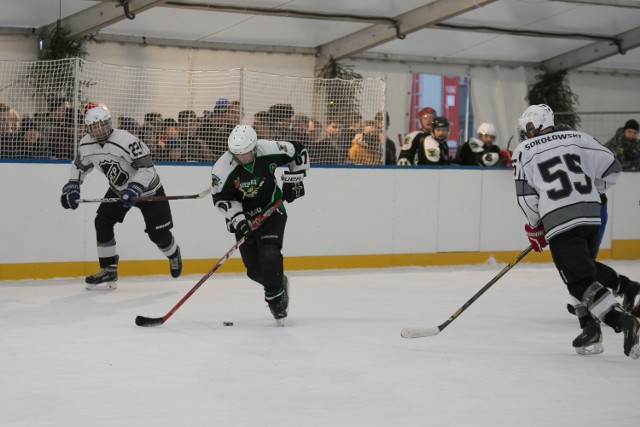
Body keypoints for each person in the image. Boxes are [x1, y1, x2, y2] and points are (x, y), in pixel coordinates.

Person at [512, 104, 640, 359]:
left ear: (533, 126)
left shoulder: (524, 150)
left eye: (526, 129)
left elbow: (526, 198)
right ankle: (591, 326)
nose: (525, 134)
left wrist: (535, 228)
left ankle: (620, 321)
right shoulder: (578, 137)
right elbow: (613, 167)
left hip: (560, 218)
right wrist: (591, 190)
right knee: (582, 269)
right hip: (592, 214)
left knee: (579, 280)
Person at [59, 106, 183, 290]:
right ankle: (108, 268)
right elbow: (80, 167)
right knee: (102, 222)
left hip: (149, 191)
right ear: (88, 129)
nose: (99, 129)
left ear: (109, 124)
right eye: (95, 126)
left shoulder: (125, 140)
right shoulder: (86, 145)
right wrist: (72, 187)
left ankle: (173, 254)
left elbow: (147, 169)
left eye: (102, 124)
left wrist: (134, 189)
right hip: (119, 190)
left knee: (159, 235)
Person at [210, 125, 309, 323]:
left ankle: (275, 300)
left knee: (270, 254)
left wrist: (294, 179)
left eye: (247, 153)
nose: (243, 158)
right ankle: (278, 282)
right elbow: (222, 199)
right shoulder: (222, 169)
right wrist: (238, 220)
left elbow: (299, 151)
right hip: (245, 217)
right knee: (255, 271)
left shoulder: (270, 149)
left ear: (254, 146)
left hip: (272, 209)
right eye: (238, 154)